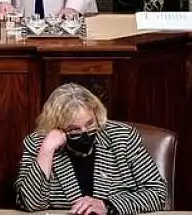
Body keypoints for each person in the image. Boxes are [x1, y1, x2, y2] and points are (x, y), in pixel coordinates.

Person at [15, 83, 167, 215]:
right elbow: (31, 204)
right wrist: (47, 151)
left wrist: (108, 206)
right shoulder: (38, 144)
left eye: (90, 124)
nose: (85, 133)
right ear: (56, 127)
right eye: (74, 129)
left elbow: (158, 193)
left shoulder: (123, 138)